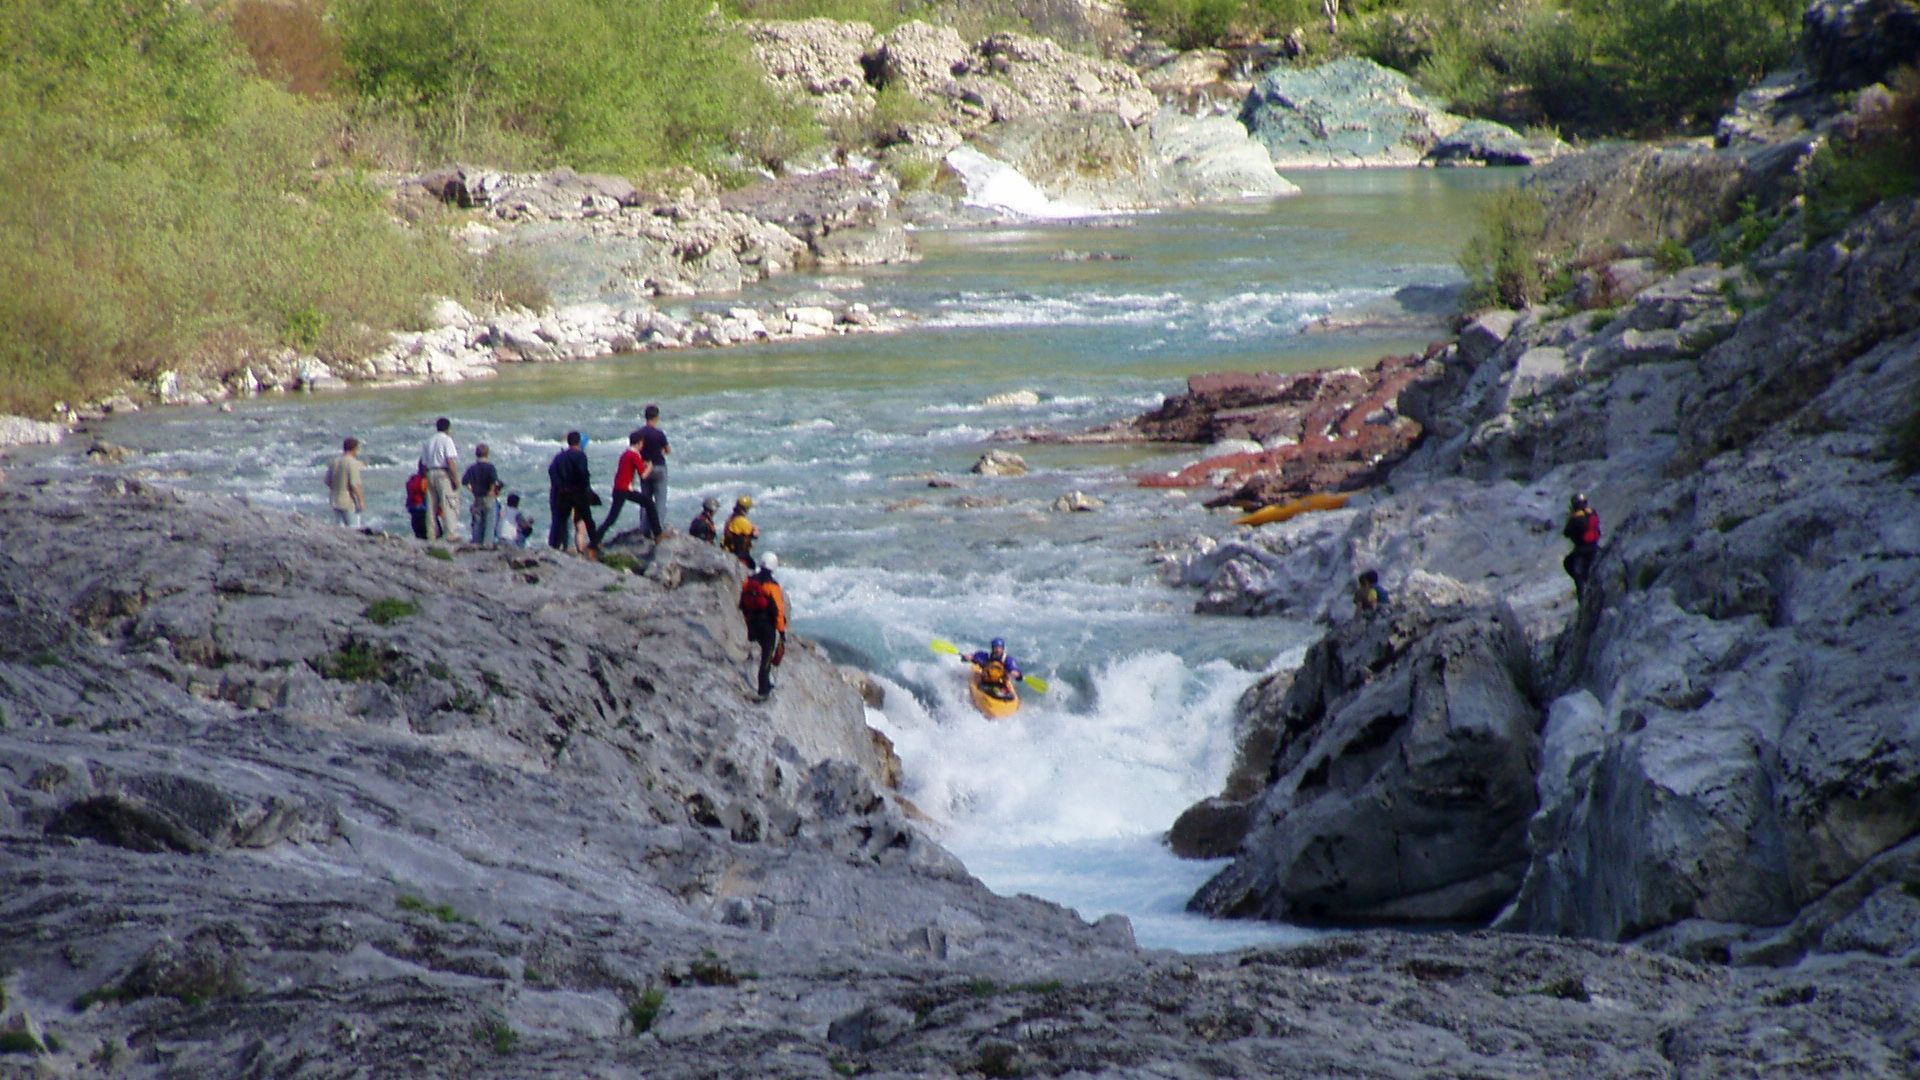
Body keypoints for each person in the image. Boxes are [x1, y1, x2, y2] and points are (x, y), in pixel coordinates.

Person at [738, 552, 788, 701]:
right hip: (767, 625)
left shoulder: (748, 581)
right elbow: (778, 610)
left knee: (764, 651)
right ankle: (763, 688)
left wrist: (748, 622)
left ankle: (764, 684)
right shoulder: (772, 586)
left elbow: (743, 603)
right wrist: (781, 631)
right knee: (767, 656)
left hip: (752, 622)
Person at [594, 429, 651, 547]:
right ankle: (593, 544)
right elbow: (644, 475)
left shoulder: (627, 453)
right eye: (642, 443)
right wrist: (650, 466)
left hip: (621, 489)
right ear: (639, 443)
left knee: (648, 503)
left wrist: (643, 464)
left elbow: (633, 467)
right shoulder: (634, 455)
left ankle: (594, 542)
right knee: (611, 519)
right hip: (623, 490)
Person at [547, 431, 596, 554]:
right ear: (579, 442)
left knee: (560, 521)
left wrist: (560, 485)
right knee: (586, 520)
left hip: (563, 493)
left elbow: (551, 471)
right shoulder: (580, 456)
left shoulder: (560, 456)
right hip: (578, 493)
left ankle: (553, 547)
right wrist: (586, 490)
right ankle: (590, 546)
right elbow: (583, 473)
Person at [420, 417, 460, 543]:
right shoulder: (447, 440)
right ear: (448, 428)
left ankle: (431, 533)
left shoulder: (429, 441)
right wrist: (455, 478)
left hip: (430, 472)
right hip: (443, 473)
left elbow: (423, 463)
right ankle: (450, 533)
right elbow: (450, 460)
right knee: (448, 503)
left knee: (431, 505)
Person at [637, 403, 671, 539]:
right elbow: (667, 450)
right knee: (660, 501)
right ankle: (658, 530)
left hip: (644, 468)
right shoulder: (659, 434)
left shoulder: (639, 434)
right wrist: (660, 452)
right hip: (658, 467)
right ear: (656, 417)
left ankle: (644, 528)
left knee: (645, 499)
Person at [1563, 492, 1602, 601]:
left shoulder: (1575, 519)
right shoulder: (1593, 513)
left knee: (1571, 566)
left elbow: (1566, 533)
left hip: (1582, 550)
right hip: (1595, 547)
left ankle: (1582, 596)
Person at [463, 443, 502, 545]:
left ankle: (476, 543)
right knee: (490, 522)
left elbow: (464, 481)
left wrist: (472, 490)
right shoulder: (490, 467)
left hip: (477, 496)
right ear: (487, 454)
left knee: (477, 521)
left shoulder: (472, 468)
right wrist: (491, 491)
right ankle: (487, 544)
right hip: (488, 497)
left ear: (476, 454)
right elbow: (494, 481)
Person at [325, 437, 366, 528]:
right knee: (353, 528)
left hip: (335, 500)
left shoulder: (335, 461)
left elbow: (327, 481)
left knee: (340, 530)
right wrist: (361, 501)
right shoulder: (352, 463)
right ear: (354, 449)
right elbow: (355, 484)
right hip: (348, 502)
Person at [722, 495, 759, 567]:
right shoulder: (743, 521)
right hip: (740, 554)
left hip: (730, 551)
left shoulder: (731, 518)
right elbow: (755, 535)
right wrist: (756, 530)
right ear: (746, 508)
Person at [404, 464, 431, 540]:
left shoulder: (412, 479)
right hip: (422, 511)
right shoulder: (424, 481)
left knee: (419, 535)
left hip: (413, 510)